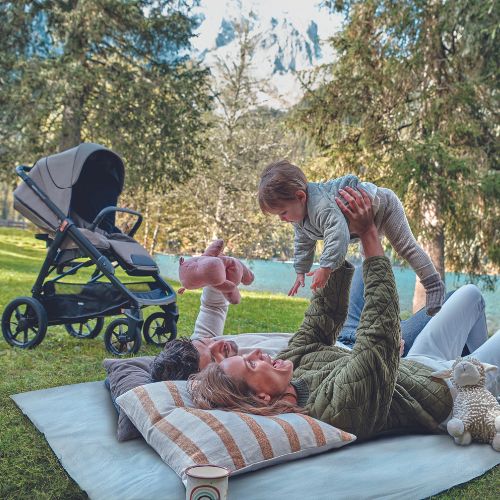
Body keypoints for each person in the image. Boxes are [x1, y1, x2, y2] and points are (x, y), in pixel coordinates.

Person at [189, 188, 500, 440]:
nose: (256, 351)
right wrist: (368, 235)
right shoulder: (335, 408)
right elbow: (379, 336)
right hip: (451, 391)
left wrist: (332, 233)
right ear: (262, 399)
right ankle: (487, 386)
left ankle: (477, 365)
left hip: (422, 365)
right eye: (251, 363)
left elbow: (319, 320)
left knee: (470, 295)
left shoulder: (291, 367)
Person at [258, 160, 444, 315]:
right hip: (362, 223)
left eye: (283, 212)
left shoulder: (321, 206)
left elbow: (336, 233)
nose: (282, 219)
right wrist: (301, 270)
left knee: (406, 247)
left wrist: (326, 267)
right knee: (368, 264)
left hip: (383, 205)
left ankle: (433, 284)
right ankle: (377, 311)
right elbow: (303, 242)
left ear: (300, 196)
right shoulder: (299, 218)